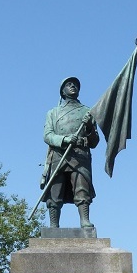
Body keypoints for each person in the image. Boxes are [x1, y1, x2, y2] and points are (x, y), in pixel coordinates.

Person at [41, 77, 99, 228]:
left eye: (75, 84)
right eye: (69, 84)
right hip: (59, 155)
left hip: (80, 155)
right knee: (55, 190)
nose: (73, 86)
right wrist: (65, 139)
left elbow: (94, 142)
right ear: (62, 91)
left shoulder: (87, 112)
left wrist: (89, 128)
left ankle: (84, 221)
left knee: (82, 188)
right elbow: (47, 135)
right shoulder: (53, 113)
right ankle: (53, 225)